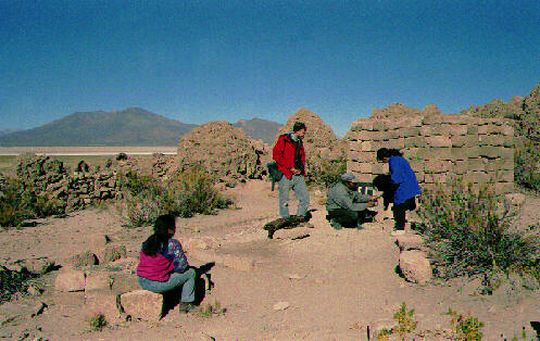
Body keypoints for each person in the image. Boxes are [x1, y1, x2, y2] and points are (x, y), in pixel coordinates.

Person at [136, 214, 197, 313]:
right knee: (191, 273)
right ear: (170, 229)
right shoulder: (172, 244)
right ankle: (186, 304)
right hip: (156, 283)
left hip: (142, 280)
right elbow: (182, 267)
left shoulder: (149, 241)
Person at [376, 148, 422, 232]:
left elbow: (396, 178)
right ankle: (415, 224)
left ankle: (400, 229)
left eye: (382, 160)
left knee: (399, 207)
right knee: (410, 205)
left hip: (404, 187)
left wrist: (387, 190)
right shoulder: (398, 159)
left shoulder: (394, 161)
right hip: (411, 185)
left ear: (384, 157)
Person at [272, 121, 310, 219]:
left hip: (298, 174)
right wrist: (290, 167)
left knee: (305, 197)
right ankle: (285, 218)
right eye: (303, 132)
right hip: (286, 174)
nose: (304, 134)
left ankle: (300, 217)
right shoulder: (284, 140)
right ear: (298, 131)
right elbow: (276, 156)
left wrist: (301, 170)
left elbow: (301, 158)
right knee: (284, 199)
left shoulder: (299, 142)